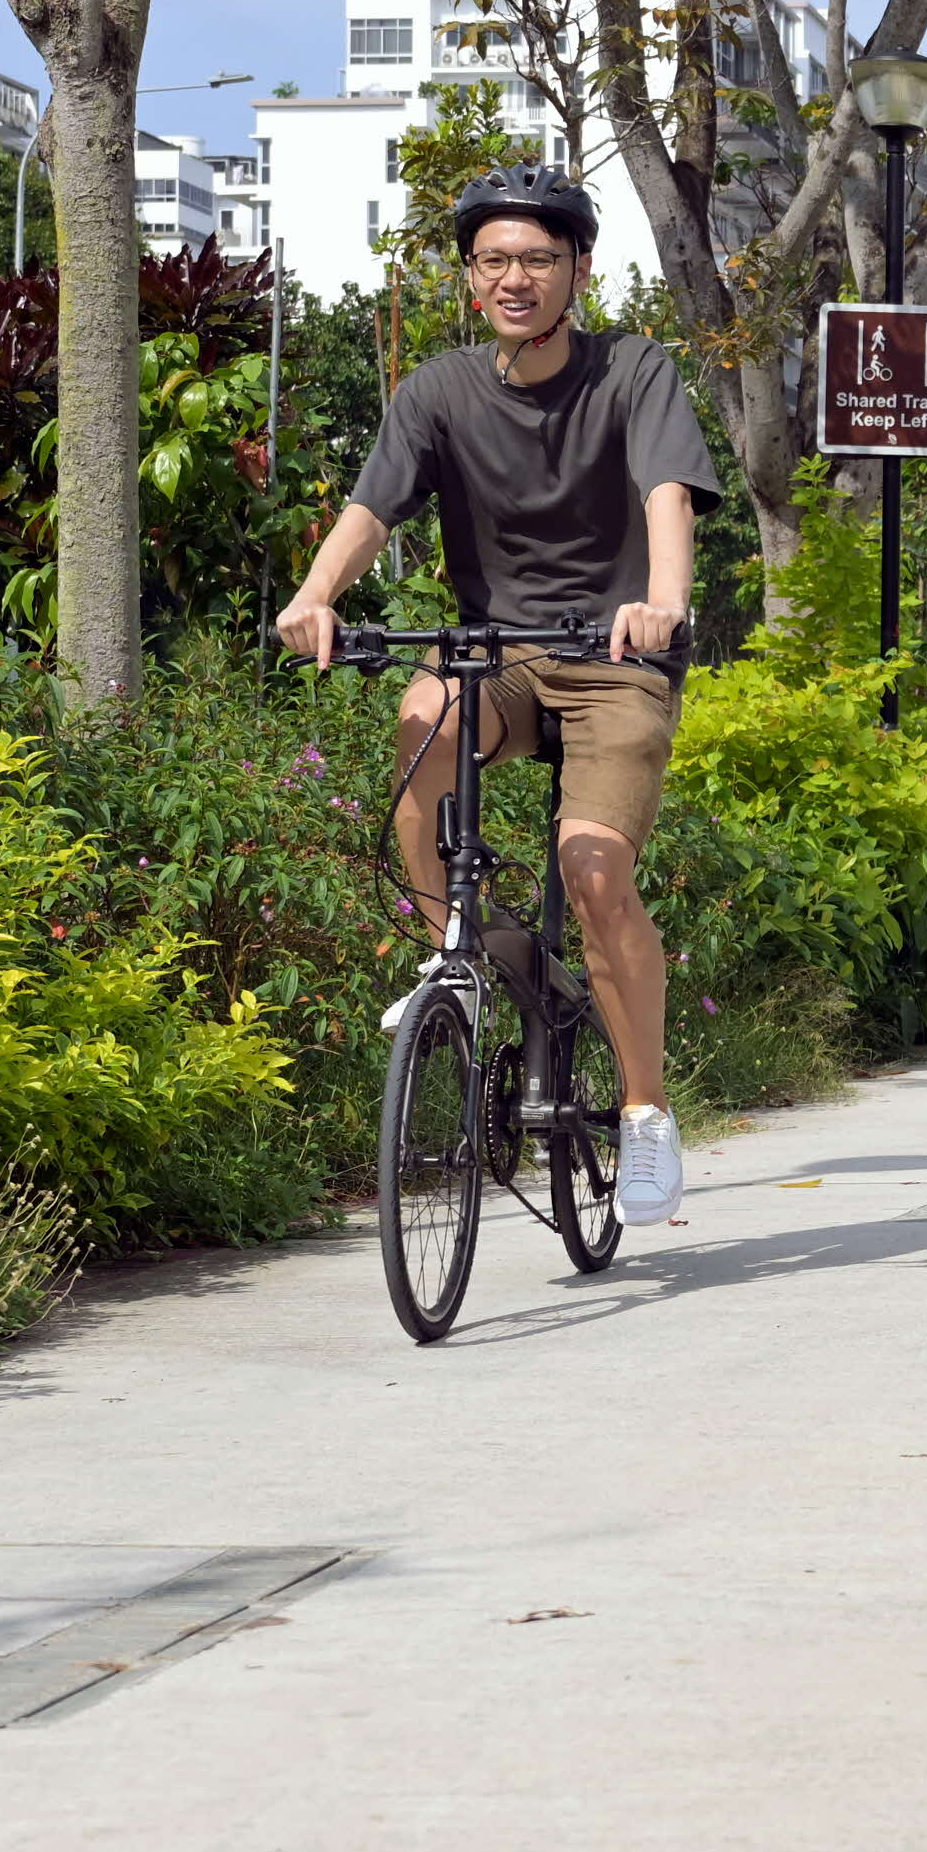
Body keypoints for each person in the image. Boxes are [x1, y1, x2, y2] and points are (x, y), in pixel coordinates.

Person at [274, 167, 706, 1229]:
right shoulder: (438, 391)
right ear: (472, 280)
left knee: (592, 870)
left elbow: (668, 495)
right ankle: (457, 962)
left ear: (578, 272)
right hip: (495, 653)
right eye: (496, 261)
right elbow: (373, 507)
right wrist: (315, 595)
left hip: (613, 659)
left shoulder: (633, 370)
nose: (517, 278)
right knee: (422, 730)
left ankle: (647, 1113)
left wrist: (662, 605)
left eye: (540, 260)